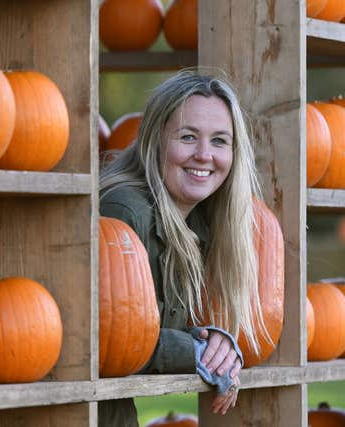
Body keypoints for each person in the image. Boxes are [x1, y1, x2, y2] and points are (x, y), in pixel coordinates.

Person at [99, 69, 267, 426]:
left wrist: (209, 344)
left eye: (220, 141)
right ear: (155, 140)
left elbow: (141, 325)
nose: (204, 155)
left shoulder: (197, 222)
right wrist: (196, 351)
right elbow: (106, 338)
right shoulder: (123, 211)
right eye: (188, 137)